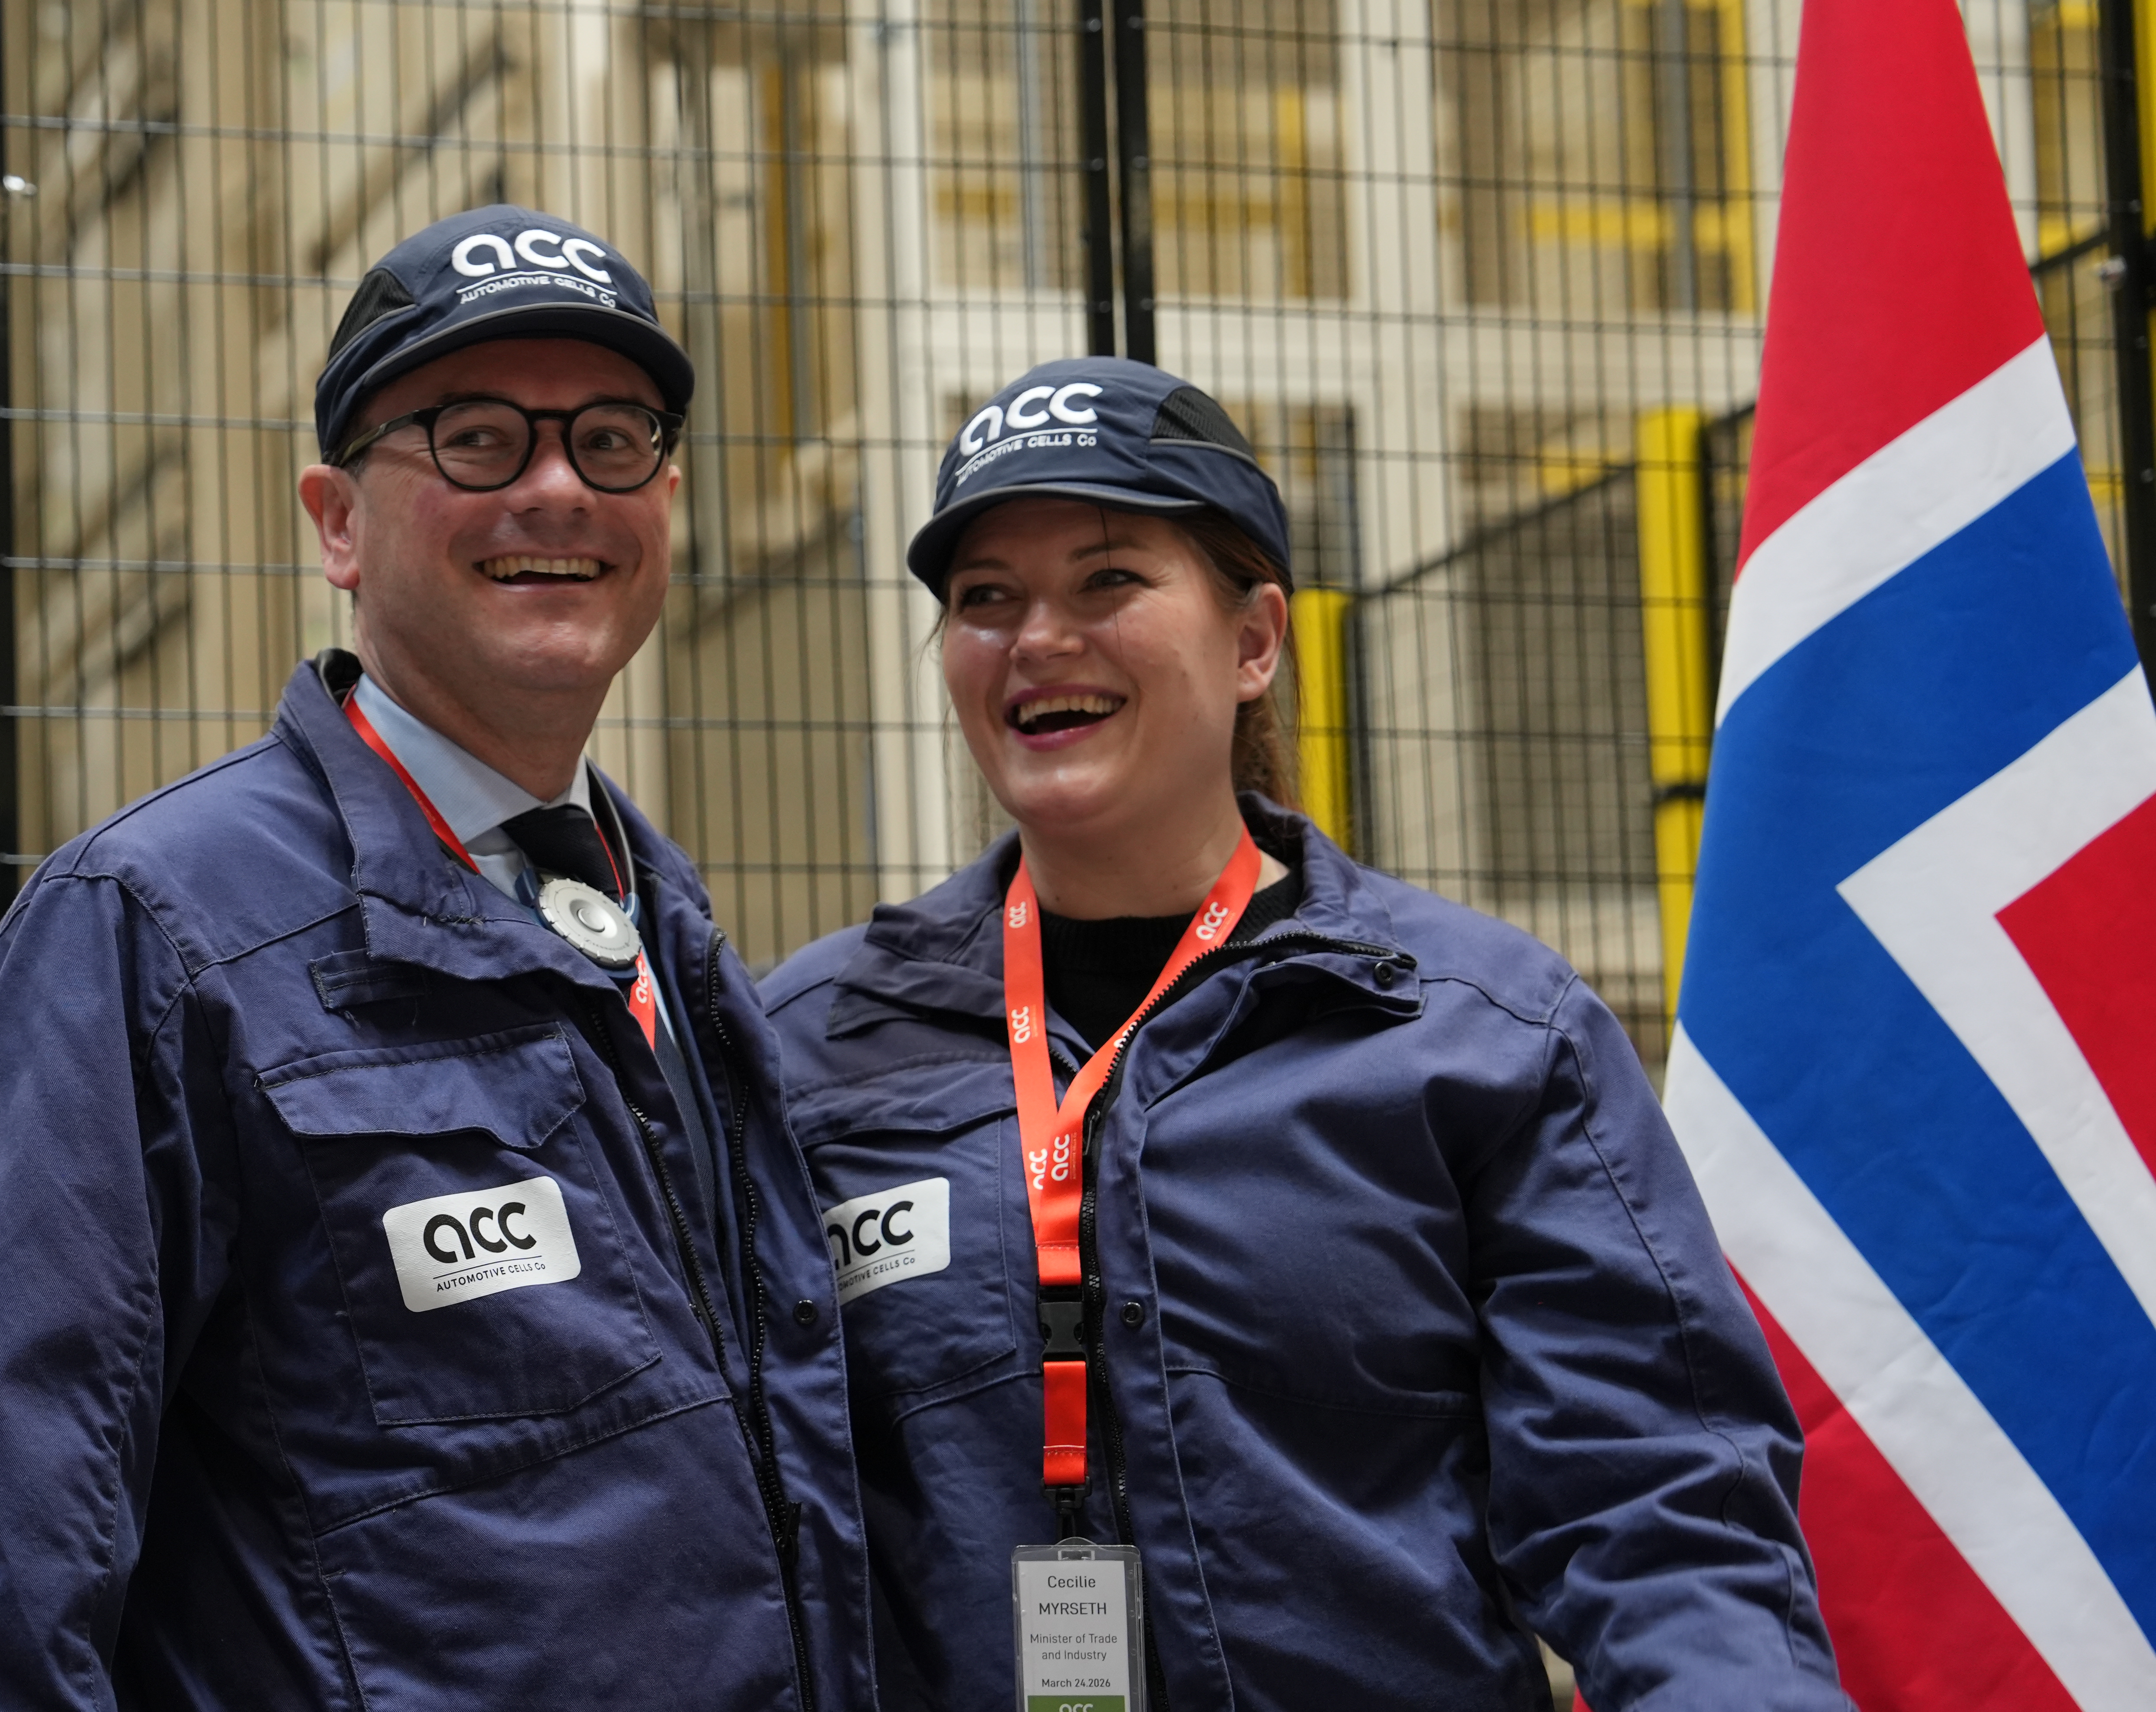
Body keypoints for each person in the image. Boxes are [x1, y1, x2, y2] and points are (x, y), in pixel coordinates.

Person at [0, 207, 874, 1711]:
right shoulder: (156, 929)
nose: (557, 488)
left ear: (666, 502)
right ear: (337, 523)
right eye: (476, 439)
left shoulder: (669, 937)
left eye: (611, 439)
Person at [760, 357, 1846, 1711]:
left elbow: (1662, 1512)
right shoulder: (817, 1049)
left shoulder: (1481, 1034)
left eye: (1108, 580)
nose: (1038, 637)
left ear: (1255, 640)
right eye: (987, 599)